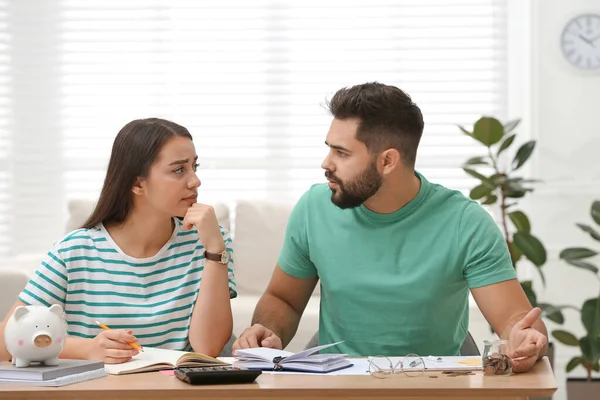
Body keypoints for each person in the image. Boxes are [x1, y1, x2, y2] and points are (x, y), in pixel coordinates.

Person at [232, 82, 548, 373]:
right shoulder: (314, 208)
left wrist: (524, 338)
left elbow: (512, 319)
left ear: (387, 161)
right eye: (330, 148)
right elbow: (283, 299)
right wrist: (268, 330)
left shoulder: (466, 222)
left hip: (436, 378)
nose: (326, 163)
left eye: (341, 152)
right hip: (337, 375)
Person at [0, 118, 236, 364]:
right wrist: (86, 349)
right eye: (179, 170)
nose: (195, 181)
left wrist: (215, 250)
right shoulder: (73, 252)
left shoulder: (211, 242)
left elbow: (208, 348)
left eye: (194, 167)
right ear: (137, 183)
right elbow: (6, 343)